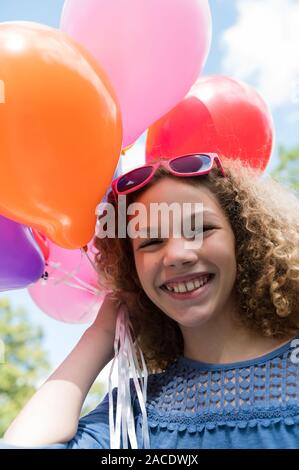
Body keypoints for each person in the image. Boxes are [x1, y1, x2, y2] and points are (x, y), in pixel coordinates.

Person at [1, 153, 299, 449]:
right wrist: (101, 334)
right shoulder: (133, 413)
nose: (178, 255)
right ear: (134, 270)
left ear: (241, 240)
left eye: (201, 229)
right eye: (152, 242)